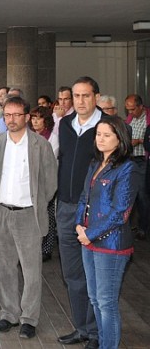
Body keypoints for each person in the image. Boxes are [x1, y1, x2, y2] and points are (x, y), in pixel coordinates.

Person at [0, 96, 57, 340]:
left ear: (27, 117)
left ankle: (29, 318)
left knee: (31, 271)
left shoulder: (41, 145)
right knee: (5, 268)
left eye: (17, 115)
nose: (12, 120)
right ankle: (9, 313)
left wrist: (36, 205)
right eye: (7, 115)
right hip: (2, 213)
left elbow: (50, 184)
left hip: (28, 215)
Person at [75, 115, 139, 349]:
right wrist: (79, 224)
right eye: (98, 134)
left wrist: (90, 234)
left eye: (107, 135)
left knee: (106, 302)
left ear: (120, 139)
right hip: (88, 239)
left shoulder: (127, 168)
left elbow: (120, 212)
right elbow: (84, 197)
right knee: (95, 299)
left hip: (111, 245)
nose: (100, 139)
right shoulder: (95, 163)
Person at [56, 76, 102, 347]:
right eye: (76, 96)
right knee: (72, 274)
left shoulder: (106, 127)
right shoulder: (65, 124)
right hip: (66, 207)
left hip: (93, 210)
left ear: (96, 96)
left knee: (93, 275)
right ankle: (82, 328)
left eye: (86, 95)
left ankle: (96, 333)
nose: (81, 101)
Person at [29, 105, 60, 262]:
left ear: (46, 121)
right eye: (33, 118)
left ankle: (46, 249)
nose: (35, 121)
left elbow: (48, 160)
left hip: (46, 183)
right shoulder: (28, 137)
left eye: (38, 118)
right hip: (29, 183)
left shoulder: (53, 138)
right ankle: (32, 248)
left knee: (47, 217)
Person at [124, 94, 149, 241]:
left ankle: (143, 227)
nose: (130, 113)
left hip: (142, 160)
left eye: (133, 109)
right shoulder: (130, 119)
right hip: (130, 159)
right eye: (127, 110)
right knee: (128, 193)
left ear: (140, 106)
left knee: (142, 194)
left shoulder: (147, 119)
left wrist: (139, 140)